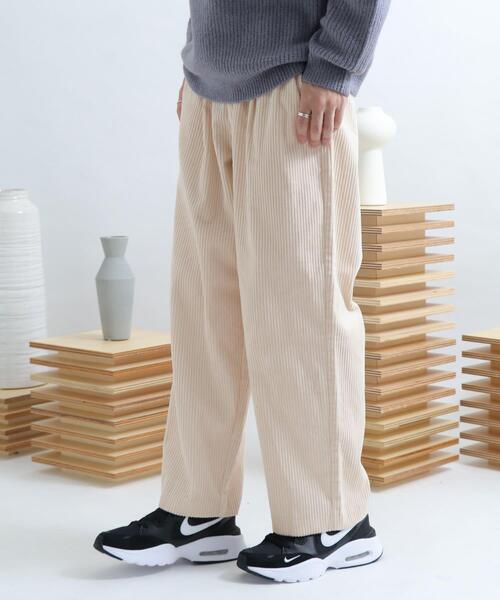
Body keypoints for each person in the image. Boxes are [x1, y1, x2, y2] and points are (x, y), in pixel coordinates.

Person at [94, 0, 391, 583]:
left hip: (296, 88)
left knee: (300, 316)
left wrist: (336, 68)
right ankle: (198, 510)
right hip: (208, 91)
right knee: (204, 316)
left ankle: (334, 521)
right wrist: (196, 65)